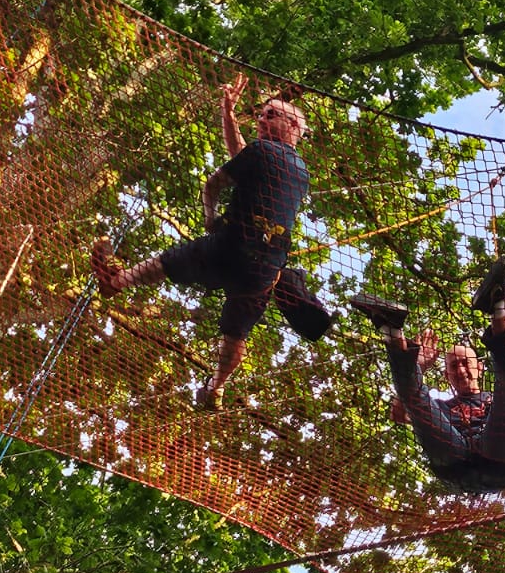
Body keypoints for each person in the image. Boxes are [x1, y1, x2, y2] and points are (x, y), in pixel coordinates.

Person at [89, 77, 332, 409]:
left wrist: (210, 218)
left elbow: (214, 184)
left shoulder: (262, 151)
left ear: (292, 125)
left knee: (167, 261)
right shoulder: (301, 171)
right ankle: (215, 388)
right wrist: (228, 115)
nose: (261, 119)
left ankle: (116, 282)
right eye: (260, 115)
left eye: (271, 114)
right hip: (263, 272)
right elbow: (243, 156)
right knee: (236, 334)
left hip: (231, 247)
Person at [351, 258, 505, 493]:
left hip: (498, 461)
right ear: (446, 375)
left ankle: (497, 304)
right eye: (454, 365)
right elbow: (399, 415)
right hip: (454, 463)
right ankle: (391, 329)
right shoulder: (441, 407)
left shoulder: (495, 401)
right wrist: (419, 367)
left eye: (465, 363)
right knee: (417, 399)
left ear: (480, 367)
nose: (460, 370)